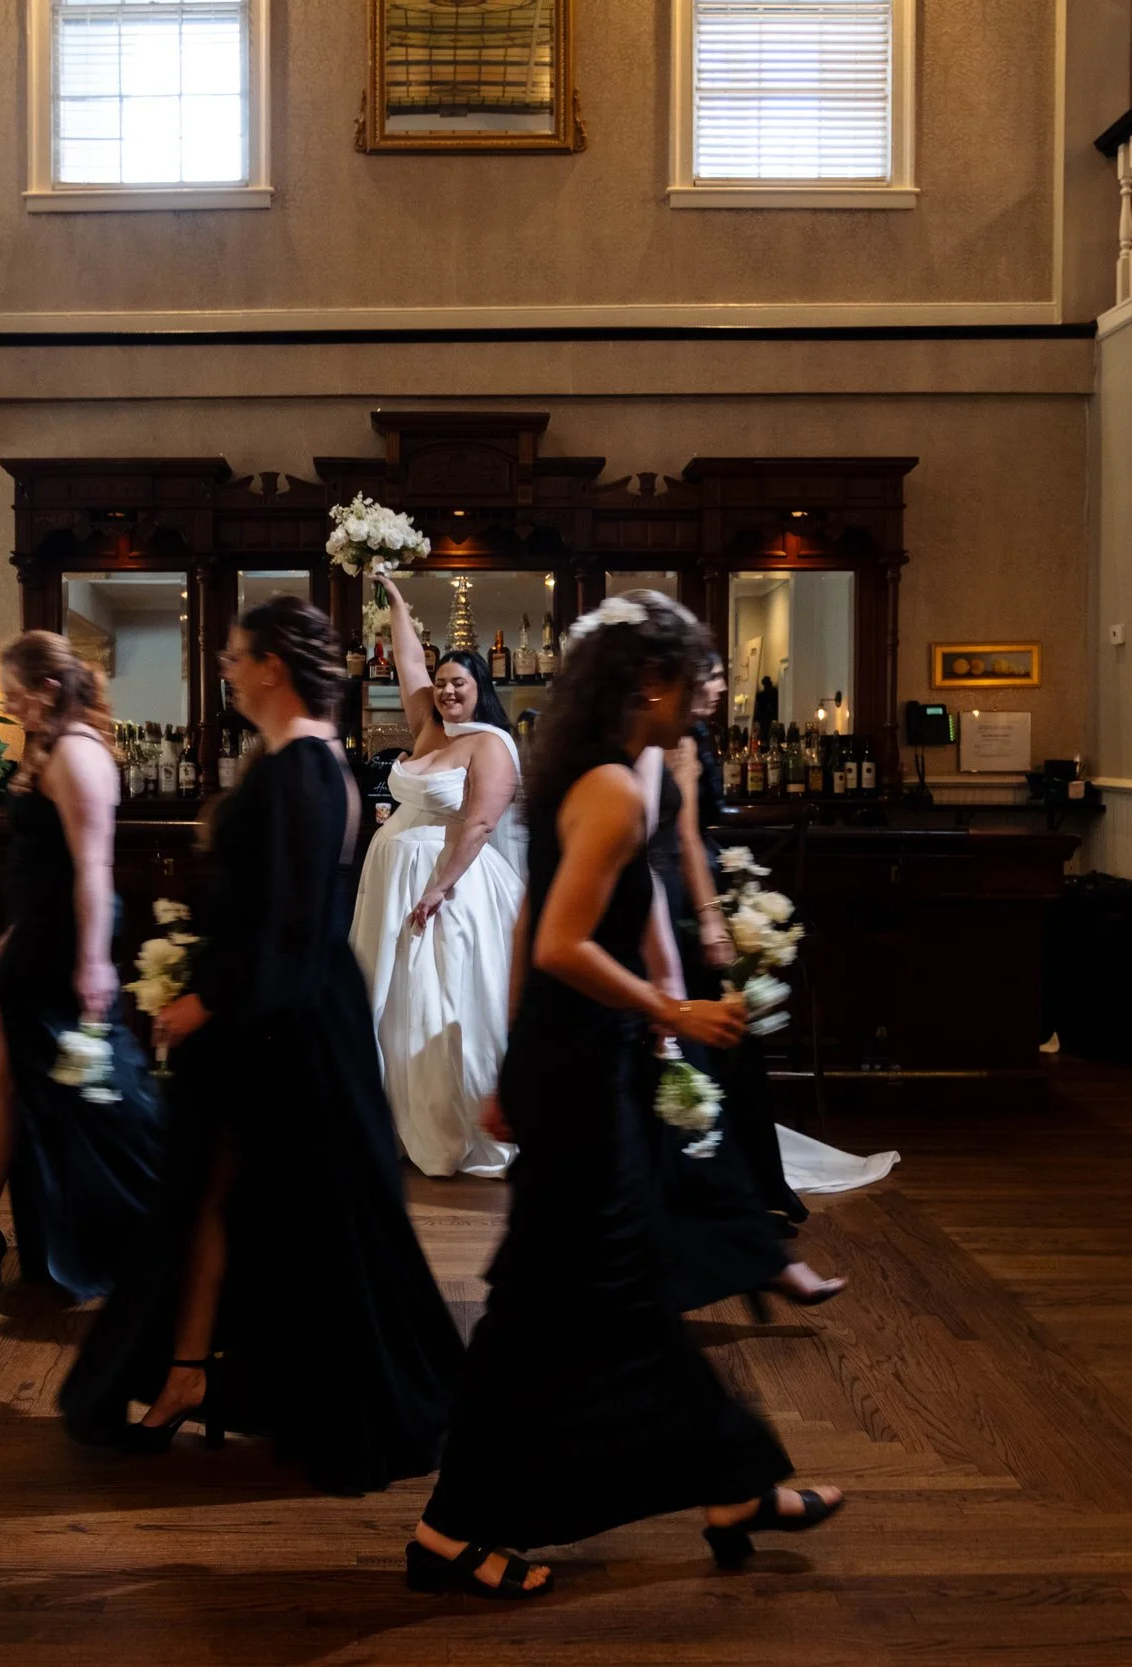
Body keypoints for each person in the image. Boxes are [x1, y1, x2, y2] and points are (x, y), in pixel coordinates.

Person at [408, 593, 844, 1600]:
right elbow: (560, 941)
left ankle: (734, 1484)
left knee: (624, 1293)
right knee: (548, 1310)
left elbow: (545, 920)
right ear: (649, 686)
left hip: (569, 1065)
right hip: (579, 1074)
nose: (702, 705)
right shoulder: (611, 789)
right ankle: (446, 1531)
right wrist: (671, 1009)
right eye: (693, 685)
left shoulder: (594, 776)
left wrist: (518, 1060)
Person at [60, 595, 463, 1494]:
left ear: (275, 664)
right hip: (273, 1013)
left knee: (279, 1209)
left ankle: (204, 1375)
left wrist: (205, 999)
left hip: (286, 1029)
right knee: (212, 1191)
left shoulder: (305, 771)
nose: (228, 669)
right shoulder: (291, 760)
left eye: (237, 655)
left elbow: (293, 923)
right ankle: (185, 1371)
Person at [0, 632, 163, 1301]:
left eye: (14, 694)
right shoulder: (54, 746)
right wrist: (14, 931)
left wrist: (91, 963)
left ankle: (156, 1227)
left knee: (81, 1099)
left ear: (47, 688)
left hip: (61, 948)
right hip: (37, 937)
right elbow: (46, 862)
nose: (9, 705)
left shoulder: (76, 754)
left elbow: (93, 866)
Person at [645, 659, 845, 1315]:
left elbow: (693, 829)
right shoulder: (661, 740)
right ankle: (747, 1239)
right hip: (668, 905)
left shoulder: (686, 735)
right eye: (708, 674)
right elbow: (674, 834)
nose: (721, 686)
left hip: (681, 898)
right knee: (698, 1084)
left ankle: (751, 1235)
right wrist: (710, 921)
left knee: (710, 1078)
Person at [349, 574, 524, 1179]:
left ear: (480, 689)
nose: (447, 691)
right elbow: (407, 667)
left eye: (460, 683)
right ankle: (387, 1119)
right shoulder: (429, 727)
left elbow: (478, 826)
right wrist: (397, 604)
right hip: (391, 877)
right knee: (389, 999)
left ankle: (447, 1124)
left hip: (450, 883)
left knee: (434, 998)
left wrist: (438, 888)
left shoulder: (491, 745)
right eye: (443, 682)